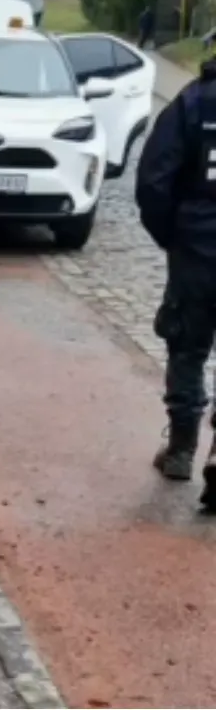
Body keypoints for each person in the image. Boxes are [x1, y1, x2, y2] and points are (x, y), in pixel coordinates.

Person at [135, 54, 216, 506]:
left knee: (187, 346)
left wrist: (172, 237)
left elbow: (152, 181)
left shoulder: (193, 103)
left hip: (197, 252)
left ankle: (182, 449)